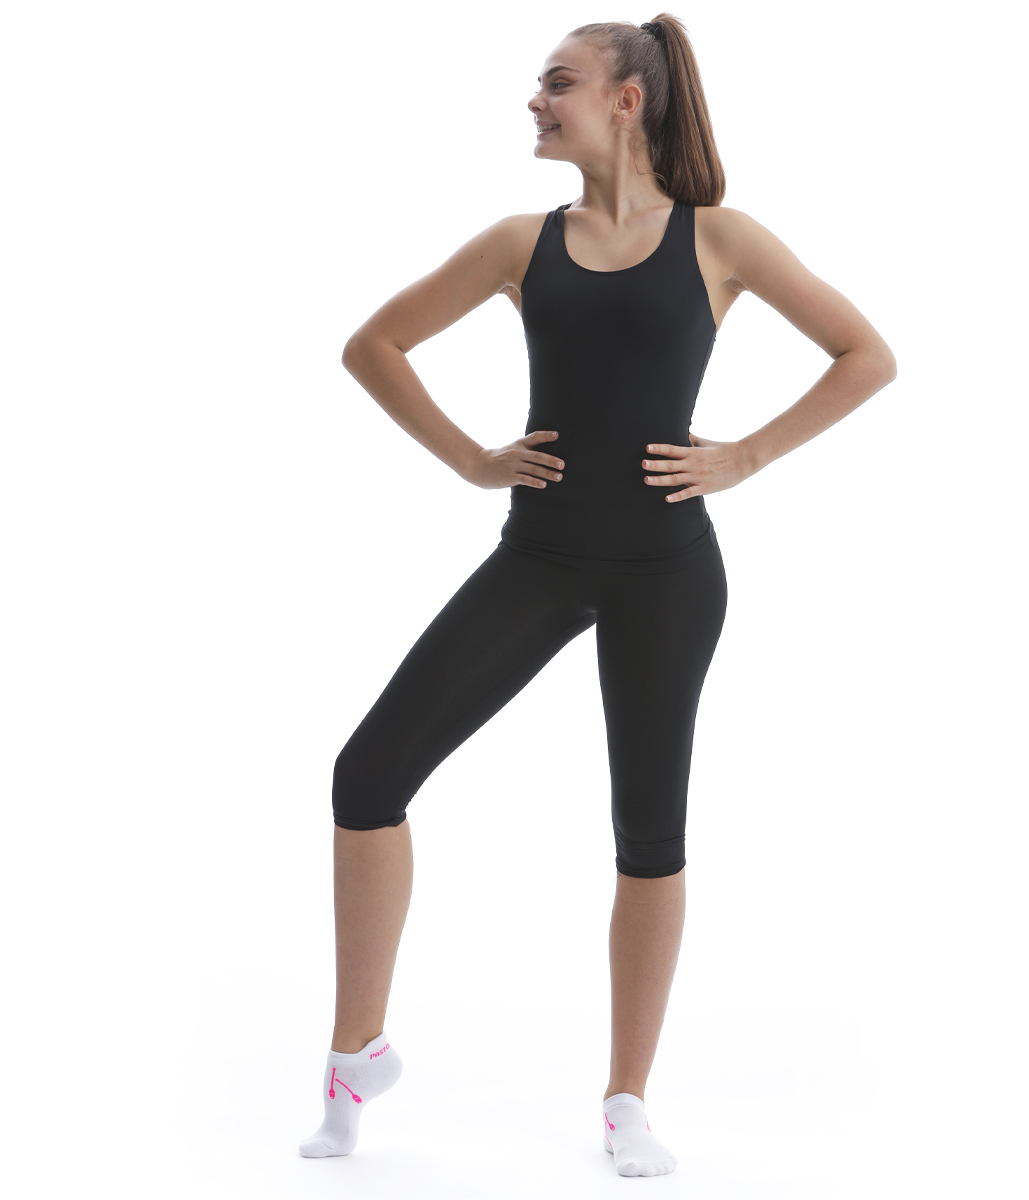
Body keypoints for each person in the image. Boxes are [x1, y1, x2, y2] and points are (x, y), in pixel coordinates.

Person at [299, 13, 896, 1178]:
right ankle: (353, 1055)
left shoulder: (720, 238)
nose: (537, 100)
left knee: (648, 832)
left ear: (628, 100)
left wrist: (746, 455)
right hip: (541, 559)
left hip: (670, 575)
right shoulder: (520, 244)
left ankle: (628, 1099)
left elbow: (866, 354)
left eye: (557, 82)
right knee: (367, 778)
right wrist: (472, 460)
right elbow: (373, 346)